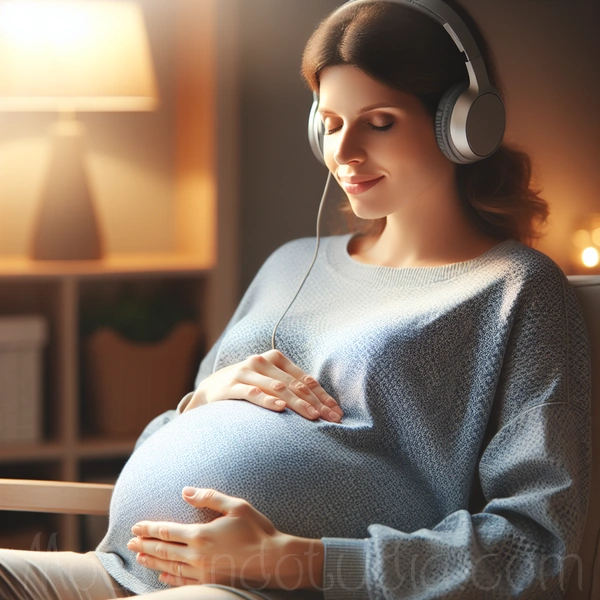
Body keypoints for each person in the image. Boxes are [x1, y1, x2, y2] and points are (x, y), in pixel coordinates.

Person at [0, 1, 591, 599]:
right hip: (117, 572)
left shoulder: (516, 291)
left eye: (378, 121)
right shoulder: (289, 263)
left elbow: (537, 551)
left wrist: (294, 560)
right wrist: (197, 401)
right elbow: (165, 445)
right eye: (331, 124)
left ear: (461, 125)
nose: (346, 152)